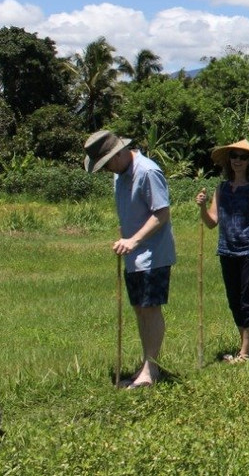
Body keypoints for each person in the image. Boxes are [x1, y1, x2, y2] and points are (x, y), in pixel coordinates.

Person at [84, 130, 176, 389]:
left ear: (118, 154)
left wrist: (134, 240)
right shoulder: (119, 174)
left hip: (153, 254)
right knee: (139, 309)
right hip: (132, 255)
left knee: (150, 308)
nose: (105, 170)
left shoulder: (147, 171)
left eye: (106, 164)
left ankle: (151, 369)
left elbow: (162, 213)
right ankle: (147, 364)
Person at [196, 139, 249, 362]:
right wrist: (202, 207)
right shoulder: (221, 188)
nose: (238, 160)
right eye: (234, 156)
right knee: (234, 301)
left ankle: (246, 353)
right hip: (227, 251)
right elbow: (212, 222)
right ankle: (245, 347)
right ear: (229, 160)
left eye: (243, 157)